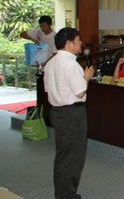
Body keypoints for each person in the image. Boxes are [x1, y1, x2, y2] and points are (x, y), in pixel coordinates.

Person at [44, 27, 94, 199]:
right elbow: (80, 92)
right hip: (72, 114)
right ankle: (66, 196)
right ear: (68, 43)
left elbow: (48, 89)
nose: (81, 43)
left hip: (57, 112)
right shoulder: (70, 64)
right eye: (78, 39)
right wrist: (86, 77)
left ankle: (64, 194)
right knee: (73, 157)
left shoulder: (51, 63)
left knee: (63, 155)